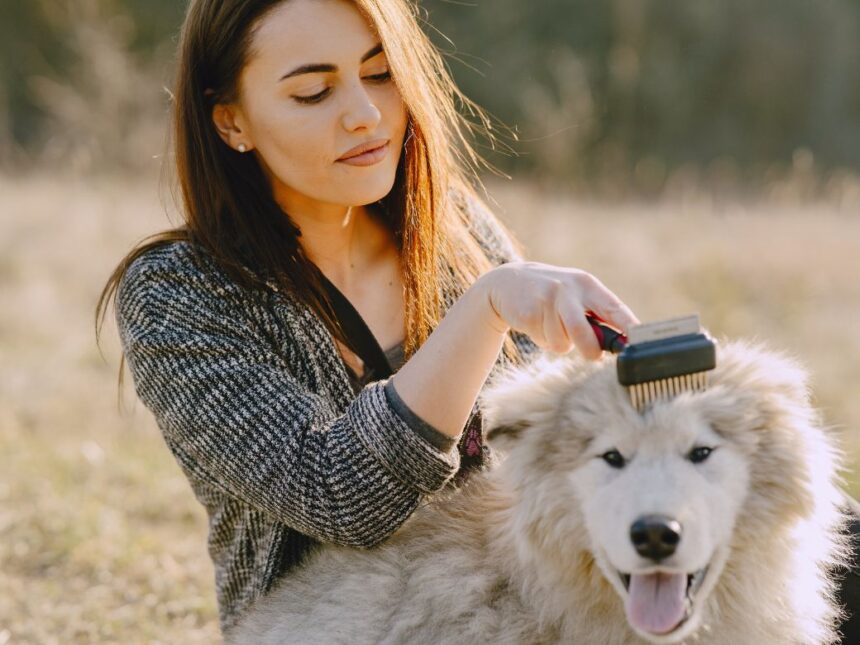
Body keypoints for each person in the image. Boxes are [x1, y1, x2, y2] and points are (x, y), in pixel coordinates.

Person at [94, 0, 859, 639]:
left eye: (380, 73)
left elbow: (549, 444)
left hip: (526, 576)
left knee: (836, 536)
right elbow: (335, 495)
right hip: (362, 617)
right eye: (312, 93)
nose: (365, 115)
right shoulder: (179, 292)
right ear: (232, 121)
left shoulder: (447, 228)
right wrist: (488, 306)